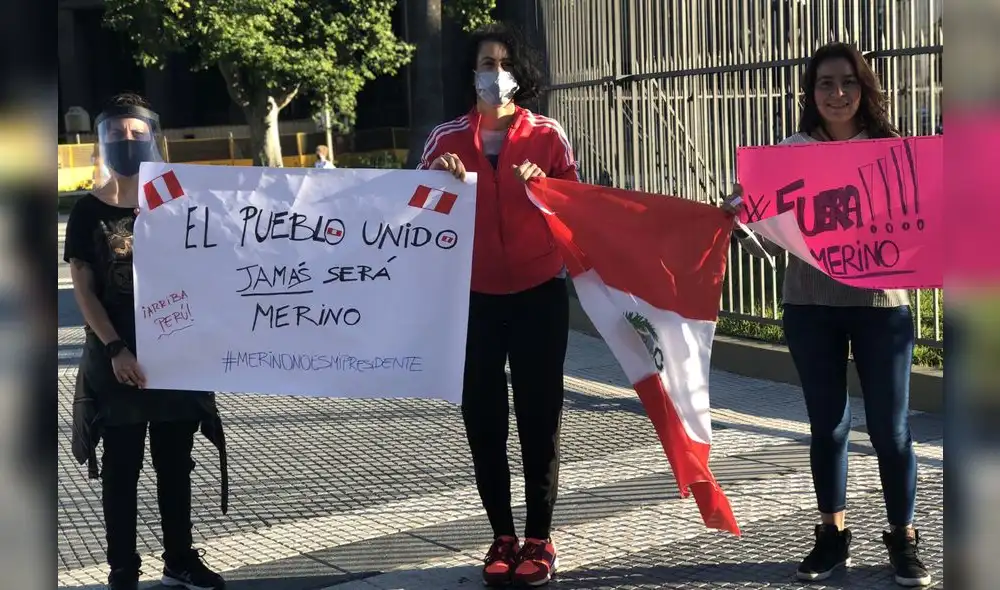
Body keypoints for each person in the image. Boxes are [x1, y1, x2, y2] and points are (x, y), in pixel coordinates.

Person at [722, 43, 930, 587]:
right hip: (810, 305)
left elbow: (926, 218)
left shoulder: (893, 149)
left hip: (881, 306)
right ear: (810, 93)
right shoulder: (788, 155)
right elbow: (765, 237)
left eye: (848, 82)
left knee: (891, 429)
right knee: (827, 425)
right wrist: (740, 214)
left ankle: (904, 537)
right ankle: (832, 534)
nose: (837, 94)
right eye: (825, 84)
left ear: (865, 88)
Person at [416, 22, 579, 587]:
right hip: (472, 301)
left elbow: (576, 209)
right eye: (487, 64)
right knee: (483, 420)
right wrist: (437, 181)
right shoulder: (444, 140)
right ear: (471, 73)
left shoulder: (548, 135)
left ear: (520, 73)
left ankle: (539, 537)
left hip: (539, 295)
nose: (496, 73)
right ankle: (502, 536)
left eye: (505, 63)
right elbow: (411, 214)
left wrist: (546, 186)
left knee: (540, 418)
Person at [64, 93, 228, 590]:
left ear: (153, 137)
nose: (127, 141)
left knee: (175, 464)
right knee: (121, 468)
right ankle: (123, 567)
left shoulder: (178, 205)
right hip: (116, 361)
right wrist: (116, 349)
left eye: (137, 132)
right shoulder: (88, 212)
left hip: (176, 356)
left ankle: (179, 558)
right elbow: (84, 290)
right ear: (103, 140)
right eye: (117, 133)